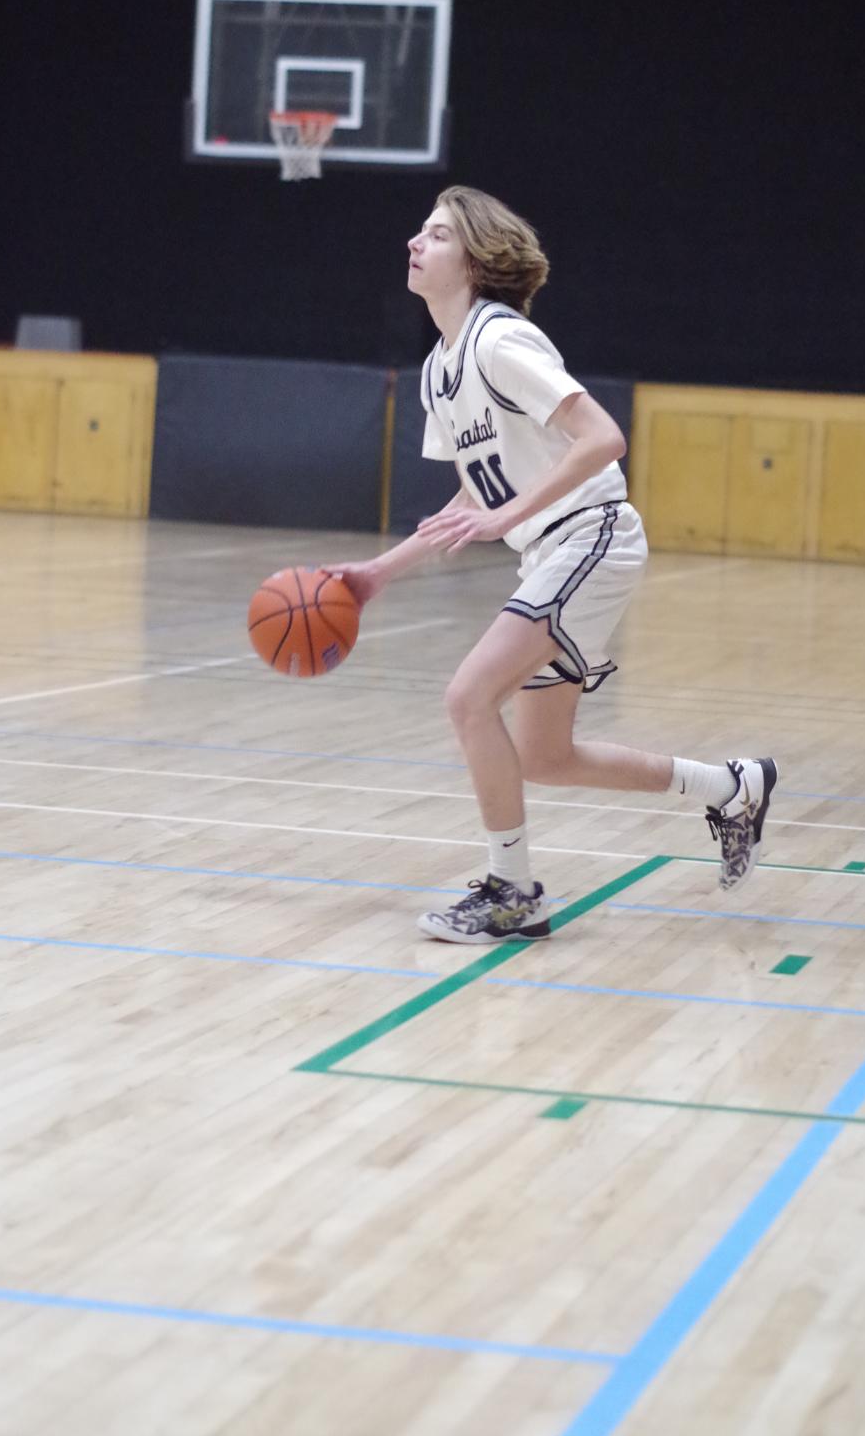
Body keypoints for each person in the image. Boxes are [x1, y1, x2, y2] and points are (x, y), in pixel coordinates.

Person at [329, 186, 777, 944]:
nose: (415, 242)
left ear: (475, 260)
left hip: (592, 537)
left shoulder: (500, 341)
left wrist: (507, 517)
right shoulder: (440, 369)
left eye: (437, 235)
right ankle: (732, 787)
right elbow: (476, 492)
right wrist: (380, 573)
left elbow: (602, 438)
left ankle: (513, 892)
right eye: (420, 231)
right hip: (552, 551)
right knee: (545, 755)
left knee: (469, 698)